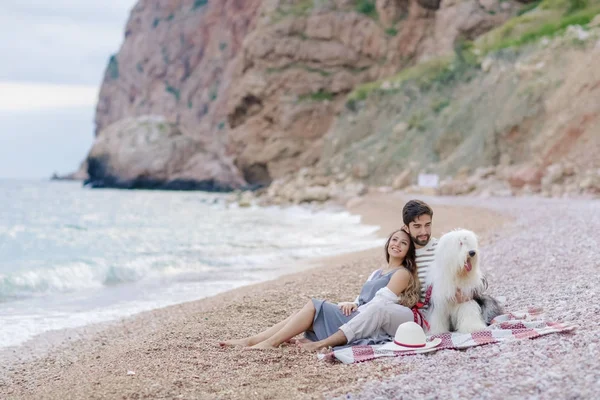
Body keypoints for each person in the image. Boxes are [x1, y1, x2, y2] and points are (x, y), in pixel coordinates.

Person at [219, 229, 421, 350]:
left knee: (315, 306)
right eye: (394, 240)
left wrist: (357, 309)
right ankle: (253, 340)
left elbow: (380, 304)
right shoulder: (379, 271)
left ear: (408, 252)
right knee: (306, 311)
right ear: (388, 243)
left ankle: (269, 343)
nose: (397, 244)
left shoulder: (401, 273)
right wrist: (352, 303)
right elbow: (363, 299)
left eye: (403, 243)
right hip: (357, 313)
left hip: (363, 322)